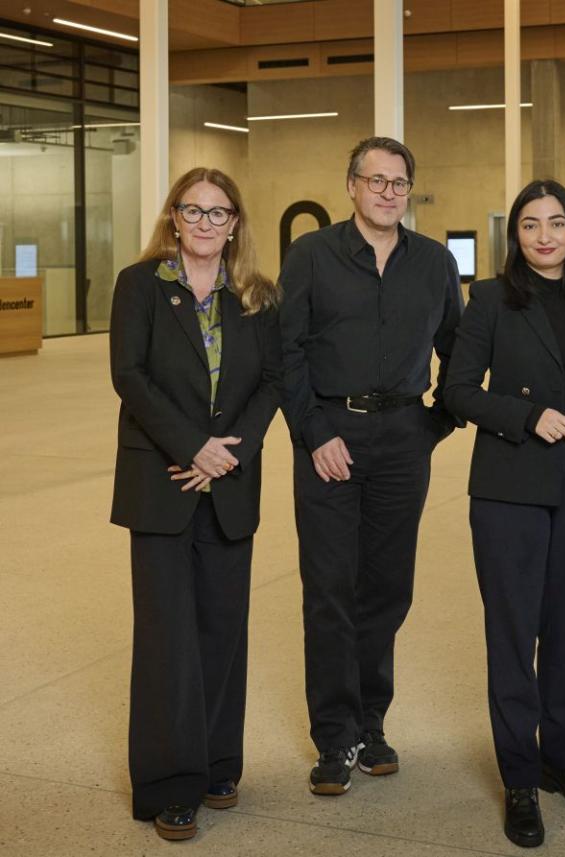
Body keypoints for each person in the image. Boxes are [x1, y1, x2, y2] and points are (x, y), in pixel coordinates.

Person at [444, 180, 565, 848]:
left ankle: (561, 757)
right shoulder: (492, 300)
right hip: (510, 487)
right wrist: (529, 415)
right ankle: (521, 778)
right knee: (513, 634)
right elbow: (459, 389)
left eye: (557, 223)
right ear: (516, 236)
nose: (545, 236)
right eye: (531, 225)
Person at [279, 137, 463, 796]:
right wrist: (313, 432)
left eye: (399, 182)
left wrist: (436, 424)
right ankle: (334, 735)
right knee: (330, 589)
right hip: (331, 435)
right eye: (375, 179)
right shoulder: (312, 256)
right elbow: (287, 352)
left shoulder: (434, 263)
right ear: (351, 184)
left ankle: (370, 719)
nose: (388, 191)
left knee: (387, 588)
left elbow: (458, 351)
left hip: (402, 436)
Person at [109, 167, 281, 841]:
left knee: (221, 630)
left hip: (230, 483)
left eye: (219, 212)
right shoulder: (140, 285)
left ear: (235, 222)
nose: (206, 223)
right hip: (163, 481)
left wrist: (227, 451)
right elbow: (130, 375)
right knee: (166, 636)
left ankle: (215, 764)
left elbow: (273, 380)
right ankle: (169, 782)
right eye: (193, 210)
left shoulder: (258, 296)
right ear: (173, 217)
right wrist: (192, 447)